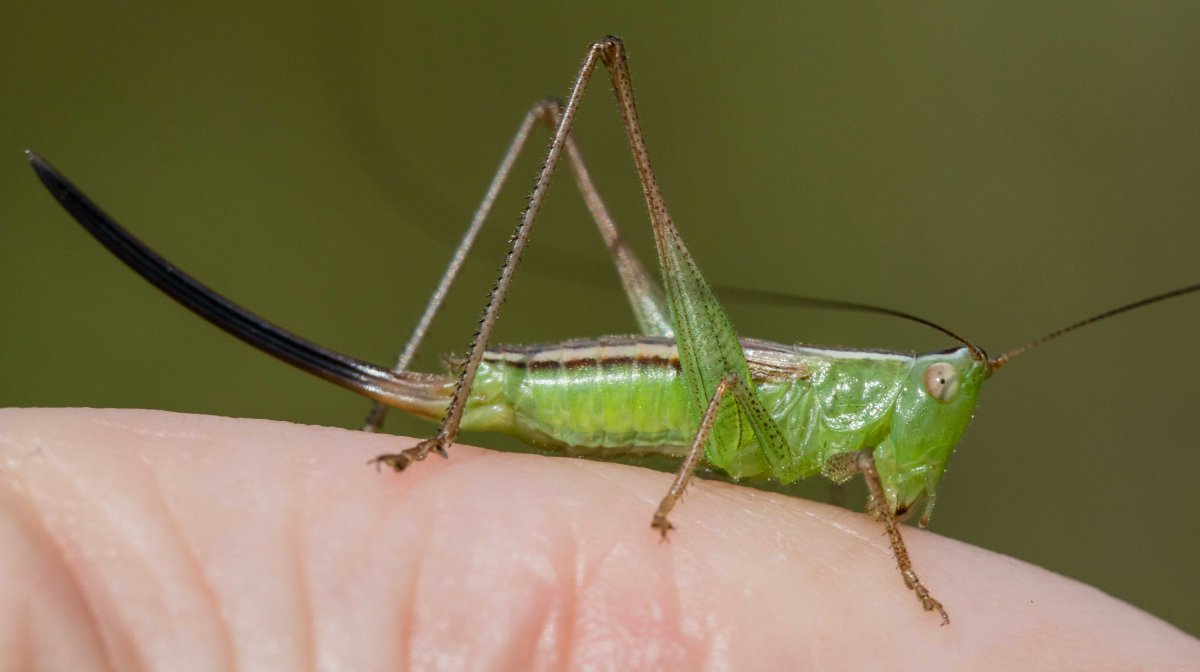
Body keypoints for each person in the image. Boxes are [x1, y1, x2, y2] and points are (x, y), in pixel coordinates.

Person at [2, 408, 1197, 669]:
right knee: (595, 75)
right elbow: (728, 401)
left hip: (701, 409)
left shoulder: (889, 440)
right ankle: (453, 398)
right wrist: (671, 500)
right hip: (690, 390)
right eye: (939, 387)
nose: (944, 406)